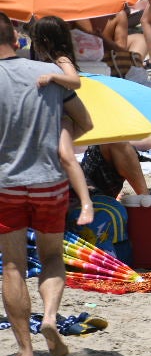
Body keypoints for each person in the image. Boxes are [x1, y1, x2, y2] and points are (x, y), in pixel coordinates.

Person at [0, 16, 92, 356]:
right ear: (15, 37)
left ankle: (25, 353)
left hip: (6, 183)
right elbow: (85, 122)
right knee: (51, 256)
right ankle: (51, 318)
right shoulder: (48, 73)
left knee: (12, 266)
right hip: (49, 182)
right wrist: (58, 135)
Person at [25, 17, 95, 228]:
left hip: (65, 116)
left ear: (44, 39)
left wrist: (54, 78)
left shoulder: (61, 59)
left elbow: (75, 81)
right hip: (49, 117)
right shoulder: (42, 60)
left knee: (66, 155)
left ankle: (86, 203)